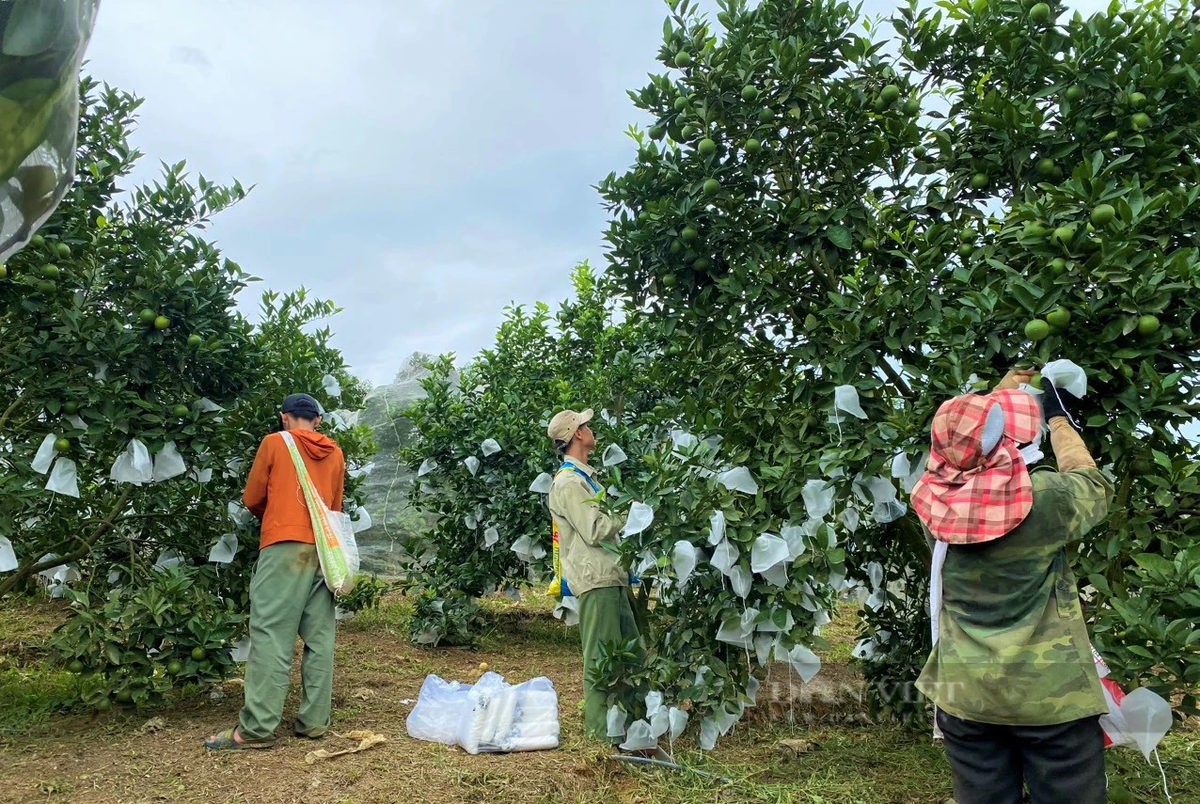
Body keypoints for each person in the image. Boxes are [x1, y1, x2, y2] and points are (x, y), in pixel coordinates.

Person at [911, 370, 1113, 804]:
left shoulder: (931, 502)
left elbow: (959, 449)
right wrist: (1060, 421)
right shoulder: (1044, 501)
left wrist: (993, 402)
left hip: (966, 697)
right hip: (1050, 698)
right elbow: (1092, 483)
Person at [206, 393, 346, 750]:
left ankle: (256, 729)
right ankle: (314, 723)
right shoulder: (335, 453)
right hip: (324, 552)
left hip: (284, 546)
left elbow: (253, 496)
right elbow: (334, 508)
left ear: (285, 418)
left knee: (271, 635)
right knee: (320, 637)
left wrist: (279, 517)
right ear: (317, 420)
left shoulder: (274, 442)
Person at [546, 408, 644, 744]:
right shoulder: (569, 482)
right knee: (602, 659)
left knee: (633, 656)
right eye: (586, 425)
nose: (591, 430)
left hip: (612, 576)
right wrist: (632, 510)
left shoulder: (587, 477)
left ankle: (635, 729)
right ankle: (601, 738)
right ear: (576, 434)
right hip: (596, 580)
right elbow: (594, 528)